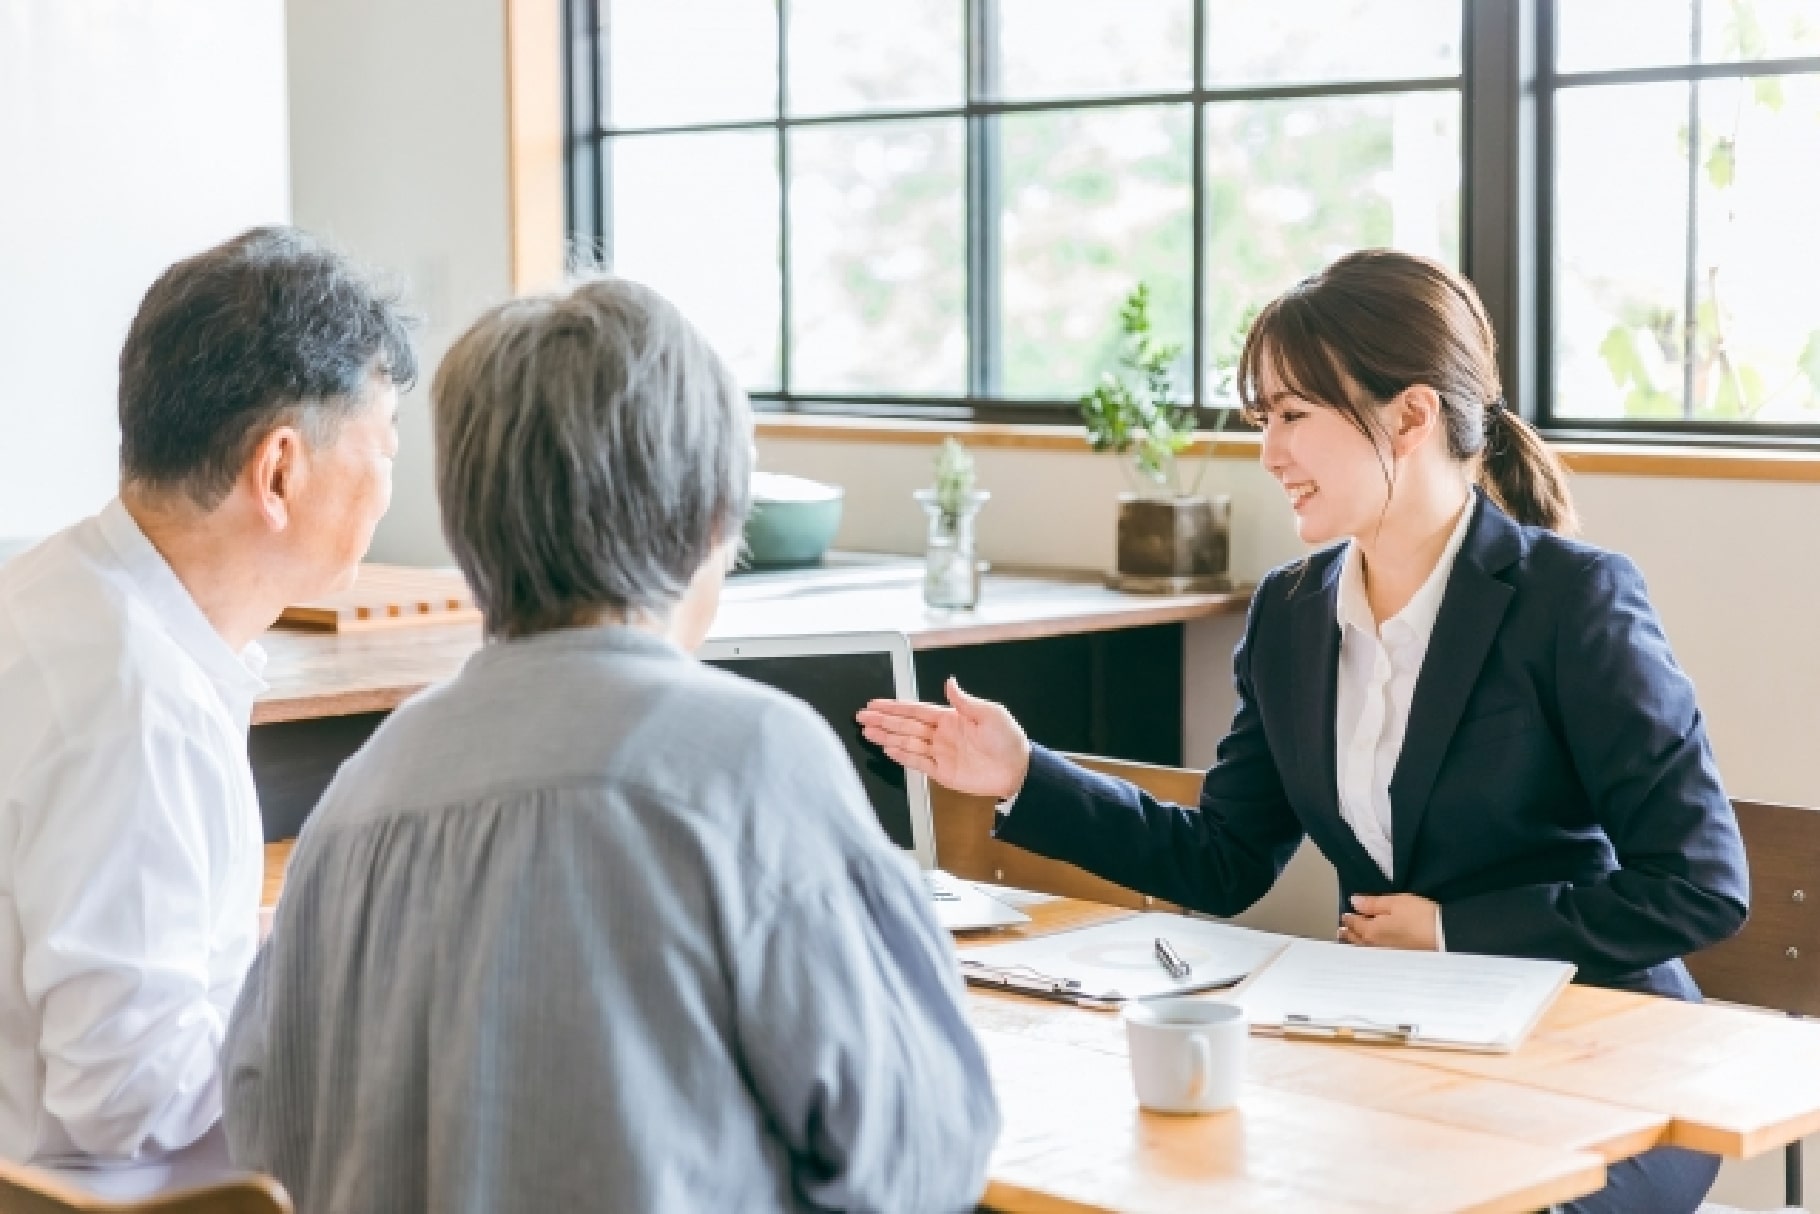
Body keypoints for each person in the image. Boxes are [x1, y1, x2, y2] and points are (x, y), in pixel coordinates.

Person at [859, 249, 1748, 1214]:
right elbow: (1225, 859)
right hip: (1399, 1053)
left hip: (1603, 1063)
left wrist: (1450, 930)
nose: (1269, 452)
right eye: (1263, 419)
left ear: (1410, 416)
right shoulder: (1291, 612)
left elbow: (1699, 888)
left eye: (1293, 416)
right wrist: (1023, 772)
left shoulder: (1572, 601)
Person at [222, 277, 1001, 1213]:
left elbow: (264, 1128)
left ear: (467, 526)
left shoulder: (359, 797)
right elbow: (919, 1156)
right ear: (714, 516)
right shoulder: (751, 760)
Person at [0, 227, 414, 1194]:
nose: (390, 484)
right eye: (384, 446)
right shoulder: (136, 701)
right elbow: (130, 1098)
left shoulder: (54, 594)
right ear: (280, 470)